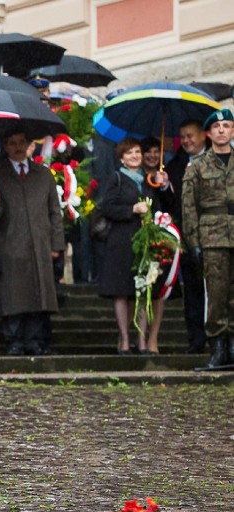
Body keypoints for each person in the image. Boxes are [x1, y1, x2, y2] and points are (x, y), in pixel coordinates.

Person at [0, 126, 65, 355]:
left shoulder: (43, 174)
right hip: (10, 245)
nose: (18, 147)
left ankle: (34, 340)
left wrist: (56, 244)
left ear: (30, 144)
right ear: (6, 147)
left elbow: (54, 212)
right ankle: (14, 340)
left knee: (38, 294)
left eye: (22, 142)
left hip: (40, 245)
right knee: (14, 295)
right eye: (12, 143)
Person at [96, 137, 166, 355]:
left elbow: (163, 206)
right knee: (121, 291)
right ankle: (125, 340)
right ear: (122, 158)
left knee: (143, 291)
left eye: (137, 152)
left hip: (144, 240)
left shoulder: (148, 181)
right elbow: (107, 206)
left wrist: (163, 186)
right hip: (121, 240)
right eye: (129, 153)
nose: (135, 156)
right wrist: (131, 210)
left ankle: (142, 341)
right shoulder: (116, 178)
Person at [182, 108, 234, 368]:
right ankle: (218, 347)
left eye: (226, 125)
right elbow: (189, 207)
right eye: (217, 127)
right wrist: (194, 243)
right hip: (212, 236)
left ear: (233, 131)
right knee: (216, 295)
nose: (222, 130)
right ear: (208, 133)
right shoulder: (198, 166)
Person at [164, 119, 210, 353]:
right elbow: (172, 204)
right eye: (182, 137)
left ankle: (221, 340)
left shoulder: (218, 159)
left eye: (190, 136)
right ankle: (196, 338)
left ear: (204, 135)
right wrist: (164, 188)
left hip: (215, 234)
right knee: (192, 291)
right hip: (188, 236)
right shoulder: (174, 166)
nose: (186, 141)